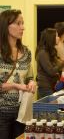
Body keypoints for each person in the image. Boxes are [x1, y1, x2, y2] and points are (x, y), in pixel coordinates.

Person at [0, 9, 36, 139]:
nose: (23, 27)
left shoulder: (26, 52)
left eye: (23, 23)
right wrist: (16, 86)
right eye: (18, 23)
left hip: (21, 112)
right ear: (5, 26)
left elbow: (30, 77)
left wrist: (32, 83)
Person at [35, 28, 64, 99]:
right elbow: (51, 71)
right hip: (45, 88)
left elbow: (57, 64)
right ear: (51, 38)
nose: (58, 38)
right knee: (50, 109)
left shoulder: (50, 51)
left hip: (52, 86)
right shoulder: (43, 53)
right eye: (56, 36)